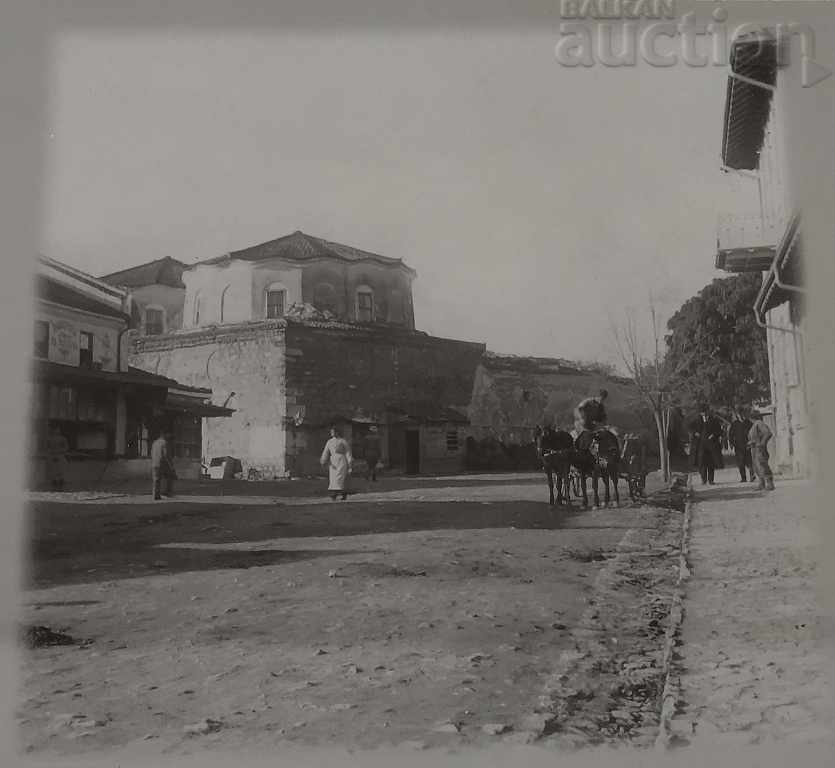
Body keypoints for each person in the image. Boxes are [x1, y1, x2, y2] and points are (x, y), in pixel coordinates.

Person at [690, 404, 723, 485]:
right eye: (702, 413)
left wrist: (714, 434)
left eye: (705, 412)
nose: (704, 414)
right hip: (701, 445)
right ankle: (703, 479)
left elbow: (719, 431)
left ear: (708, 411)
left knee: (711, 463)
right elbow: (690, 428)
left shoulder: (714, 420)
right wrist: (695, 433)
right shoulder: (696, 420)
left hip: (711, 445)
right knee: (702, 463)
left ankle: (711, 480)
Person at [320, 425, 353, 500]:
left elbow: (348, 452)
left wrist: (350, 463)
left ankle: (337, 494)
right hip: (333, 462)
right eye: (331, 432)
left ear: (337, 432)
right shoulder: (329, 442)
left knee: (340, 477)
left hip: (341, 460)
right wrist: (323, 460)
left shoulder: (343, 441)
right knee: (333, 478)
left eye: (333, 432)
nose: (332, 433)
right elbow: (326, 451)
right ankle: (338, 493)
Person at [748, 410, 775, 491]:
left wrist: (762, 443)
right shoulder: (755, 425)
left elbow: (768, 433)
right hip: (754, 449)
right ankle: (761, 484)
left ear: (751, 418)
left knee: (763, 465)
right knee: (757, 466)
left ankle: (770, 484)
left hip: (759, 449)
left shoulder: (759, 423)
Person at [729, 410, 755, 482]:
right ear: (737, 416)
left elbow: (753, 432)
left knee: (749, 462)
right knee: (740, 463)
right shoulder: (734, 424)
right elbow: (730, 435)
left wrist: (752, 442)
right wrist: (732, 443)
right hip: (738, 446)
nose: (741, 416)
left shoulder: (748, 423)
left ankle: (752, 475)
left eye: (742, 415)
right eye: (739, 415)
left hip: (748, 445)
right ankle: (743, 478)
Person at [621, 431, 648, 500]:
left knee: (639, 475)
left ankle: (639, 490)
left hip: (637, 462)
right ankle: (635, 491)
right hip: (632, 462)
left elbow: (642, 455)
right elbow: (624, 454)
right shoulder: (628, 443)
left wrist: (643, 463)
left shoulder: (640, 445)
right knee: (633, 476)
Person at [151, 430, 176, 500]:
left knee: (156, 480)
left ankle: (156, 495)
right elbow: (166, 455)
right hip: (162, 464)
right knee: (170, 476)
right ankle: (167, 492)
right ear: (164, 435)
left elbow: (152, 453)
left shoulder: (154, 443)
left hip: (154, 463)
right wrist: (171, 466)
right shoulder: (164, 443)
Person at [45, 425, 69, 491]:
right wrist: (51, 452)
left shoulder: (63, 438)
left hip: (60, 455)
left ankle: (61, 483)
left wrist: (60, 451)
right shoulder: (49, 439)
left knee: (60, 470)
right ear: (52, 430)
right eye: (55, 429)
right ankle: (54, 483)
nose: (56, 431)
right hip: (52, 456)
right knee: (53, 470)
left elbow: (66, 447)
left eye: (58, 429)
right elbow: (47, 447)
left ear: (60, 430)